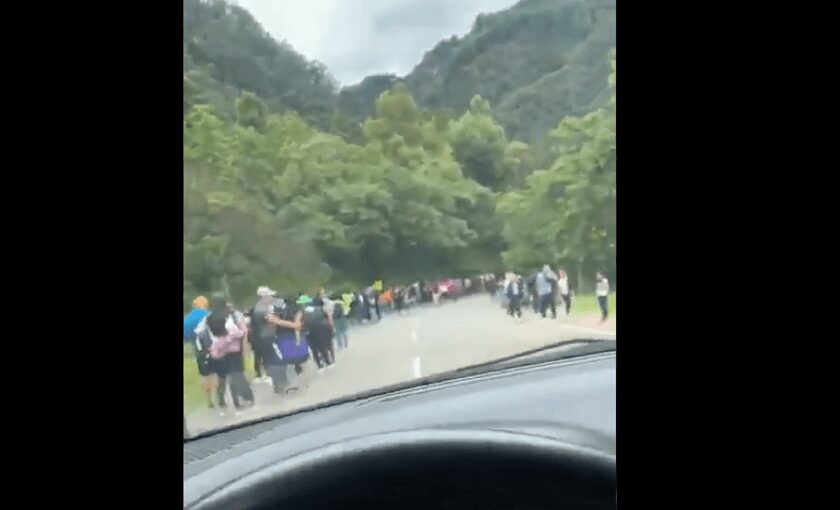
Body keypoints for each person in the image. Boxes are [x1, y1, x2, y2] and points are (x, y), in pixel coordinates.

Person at [201, 295, 253, 415]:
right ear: (225, 303)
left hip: (218, 351)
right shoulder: (231, 316)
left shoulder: (208, 318)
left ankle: (222, 400)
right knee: (236, 375)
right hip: (233, 350)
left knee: (222, 377)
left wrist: (212, 347)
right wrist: (235, 338)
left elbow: (202, 333)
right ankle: (240, 401)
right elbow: (241, 332)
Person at [185, 295, 221, 410]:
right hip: (212, 347)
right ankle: (219, 397)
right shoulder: (208, 314)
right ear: (205, 304)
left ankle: (209, 399)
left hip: (198, 349)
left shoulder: (187, 319)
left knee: (204, 374)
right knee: (215, 373)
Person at [247, 286, 279, 384]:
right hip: (264, 338)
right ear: (264, 297)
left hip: (262, 337)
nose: (271, 298)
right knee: (268, 357)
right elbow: (272, 321)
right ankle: (271, 377)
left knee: (263, 357)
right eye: (269, 296)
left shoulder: (259, 307)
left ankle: (265, 375)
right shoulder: (261, 309)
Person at [300, 295, 334, 372]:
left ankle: (320, 365)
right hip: (319, 331)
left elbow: (302, 324)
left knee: (315, 349)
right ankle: (327, 362)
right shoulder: (319, 309)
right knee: (321, 347)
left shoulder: (303, 313)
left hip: (311, 332)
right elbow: (327, 319)